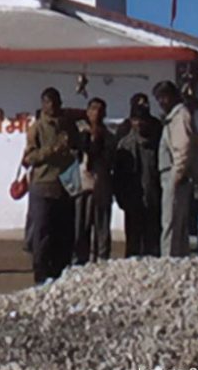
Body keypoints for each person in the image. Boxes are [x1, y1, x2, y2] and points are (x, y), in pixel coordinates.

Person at [22, 87, 78, 284]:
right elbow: (29, 157)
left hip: (65, 185)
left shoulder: (68, 126)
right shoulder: (37, 128)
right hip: (43, 185)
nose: (52, 107)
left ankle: (60, 272)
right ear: (42, 104)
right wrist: (53, 150)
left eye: (55, 102)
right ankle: (41, 274)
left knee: (63, 233)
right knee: (42, 234)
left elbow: (77, 148)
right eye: (47, 103)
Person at [153, 80, 198, 258]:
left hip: (174, 175)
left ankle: (169, 260)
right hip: (171, 175)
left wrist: (177, 175)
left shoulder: (180, 116)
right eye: (159, 98)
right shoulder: (173, 117)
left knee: (171, 223)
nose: (161, 102)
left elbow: (183, 148)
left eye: (164, 97)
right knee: (174, 223)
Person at [113, 103, 162, 257]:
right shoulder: (124, 145)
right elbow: (118, 177)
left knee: (152, 245)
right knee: (133, 246)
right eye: (135, 120)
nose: (139, 124)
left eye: (142, 120)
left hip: (153, 202)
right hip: (132, 202)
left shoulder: (157, 145)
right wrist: (122, 199)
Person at [74, 97, 115, 264]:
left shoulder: (108, 137)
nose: (95, 113)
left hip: (100, 184)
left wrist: (97, 140)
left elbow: (107, 159)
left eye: (99, 109)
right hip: (82, 184)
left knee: (101, 223)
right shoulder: (80, 133)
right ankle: (80, 258)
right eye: (92, 109)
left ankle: (101, 256)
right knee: (80, 224)